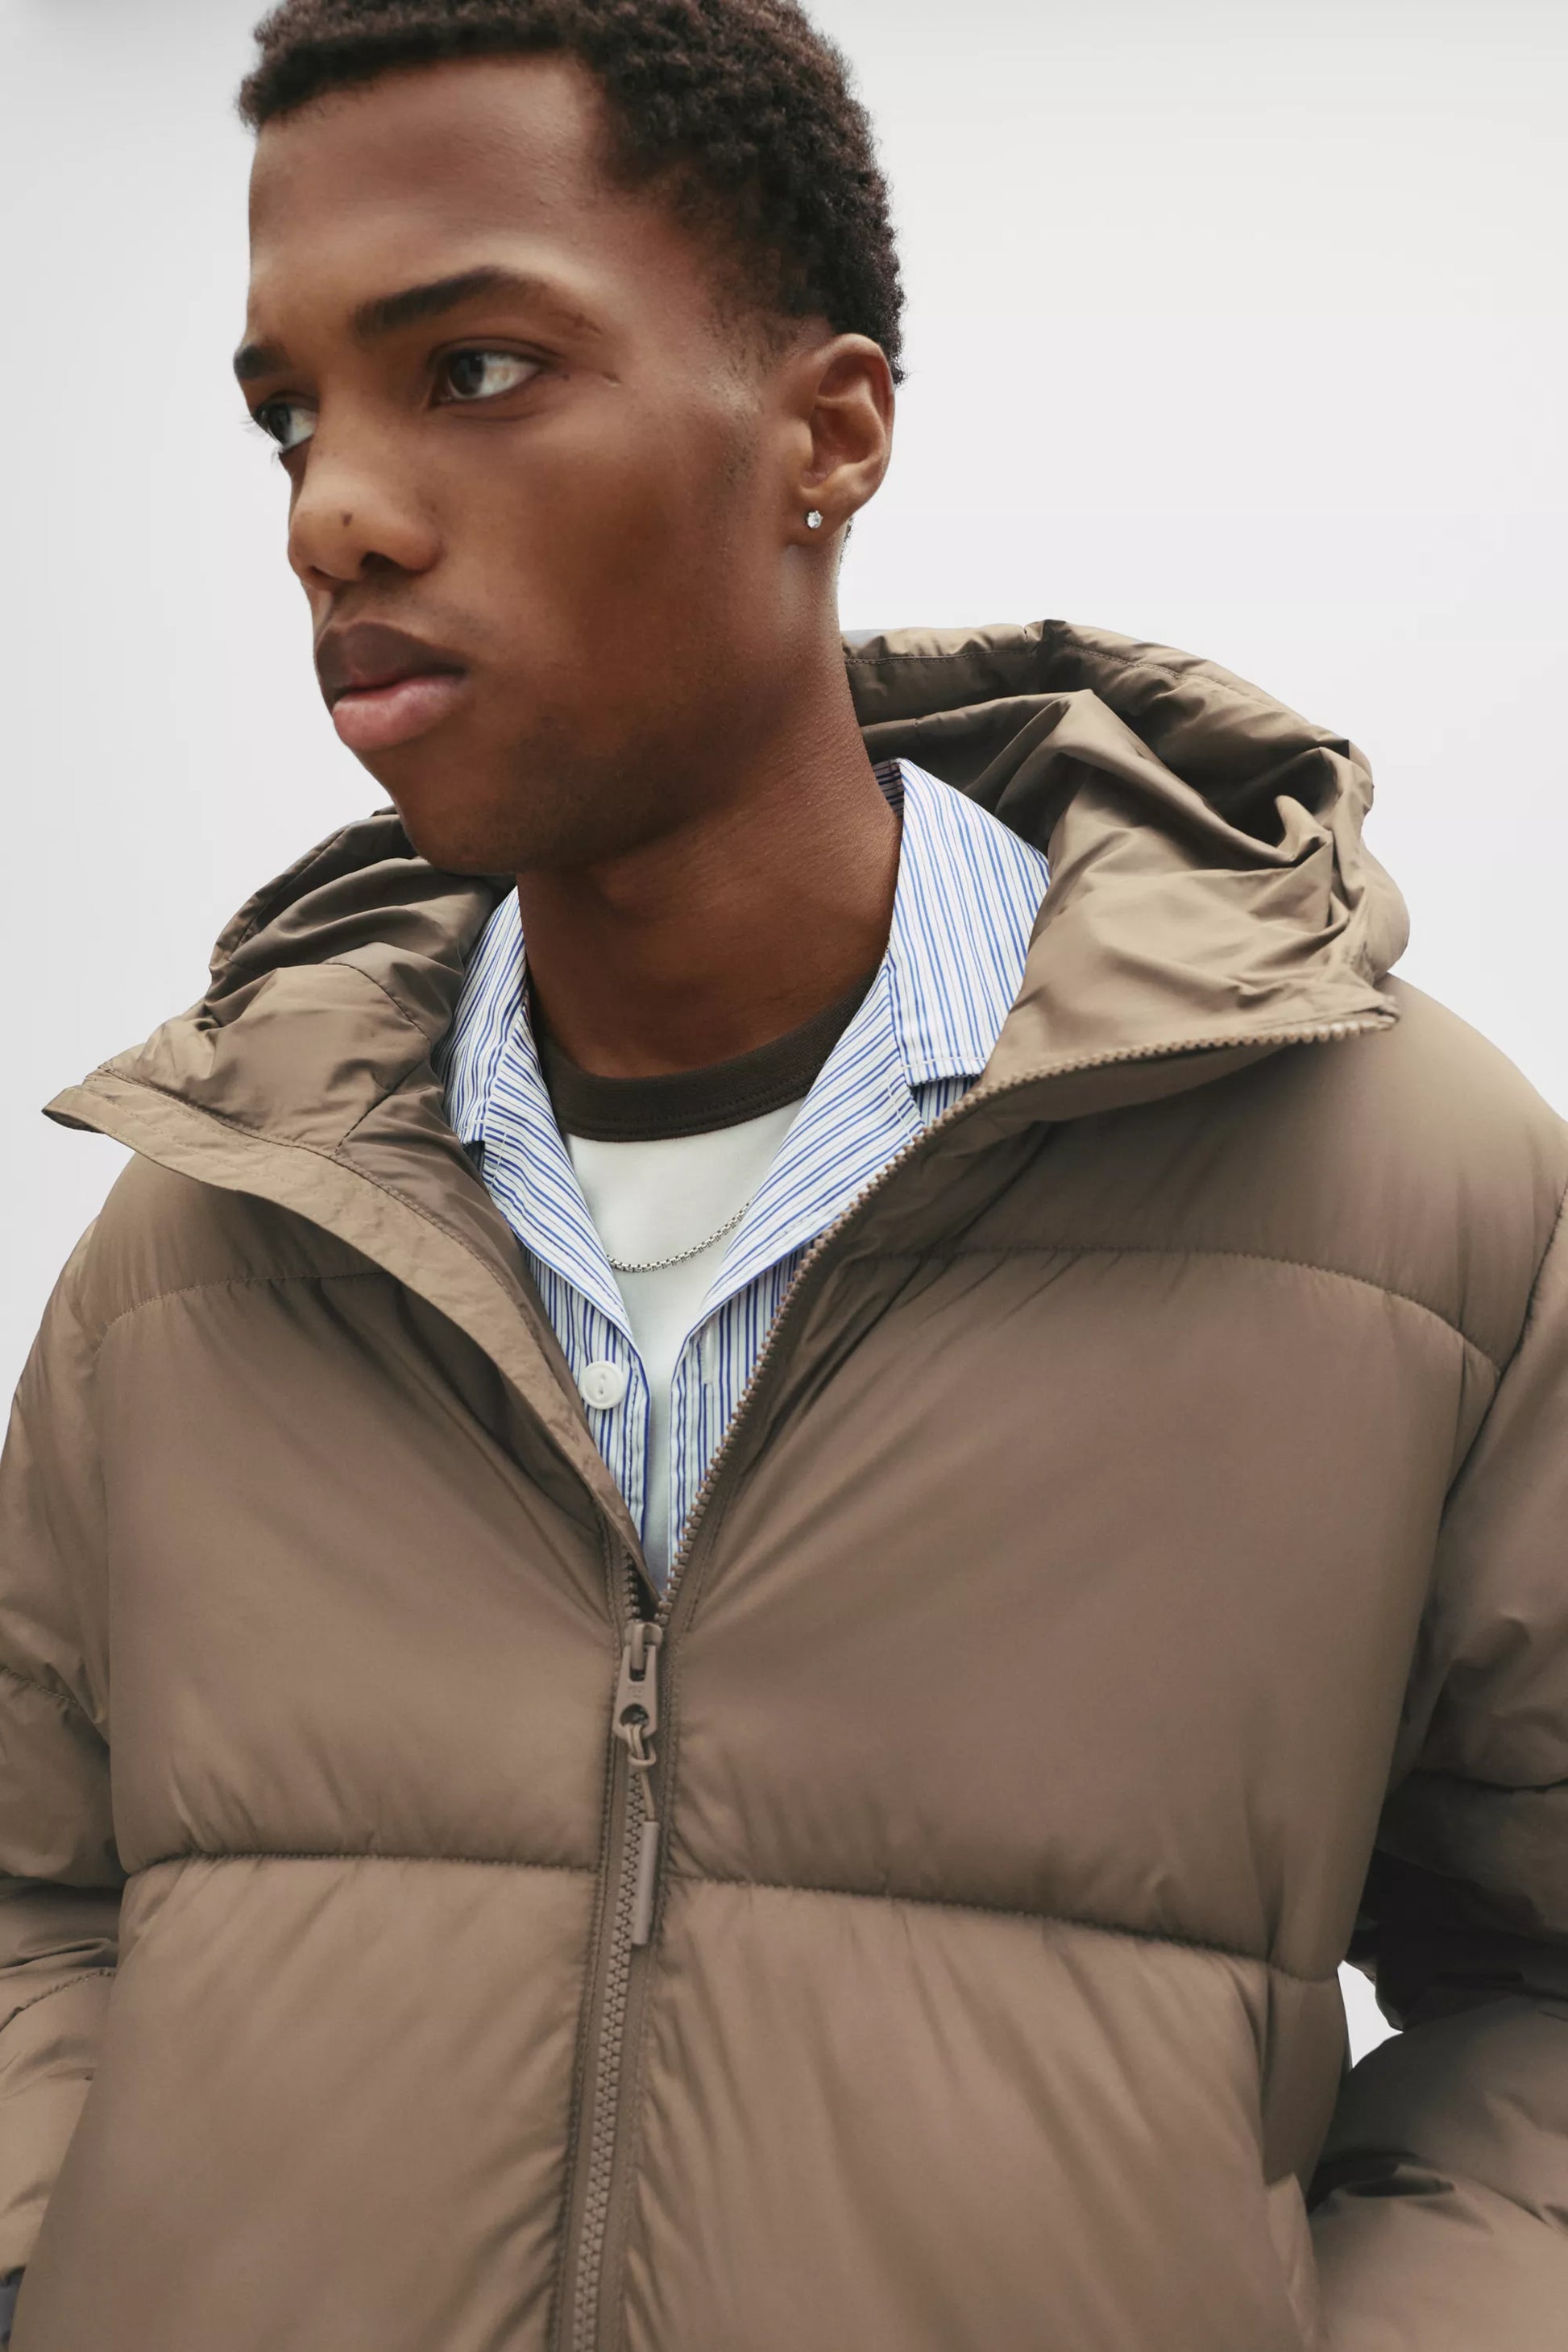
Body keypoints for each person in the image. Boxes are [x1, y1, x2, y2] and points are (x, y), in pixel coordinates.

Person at [2, 0, 1566, 2344]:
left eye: (474, 370)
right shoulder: (205, 1243)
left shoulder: (1409, 1203)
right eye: (290, 416)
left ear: (826, 432)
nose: (332, 512)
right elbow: (32, 1898)